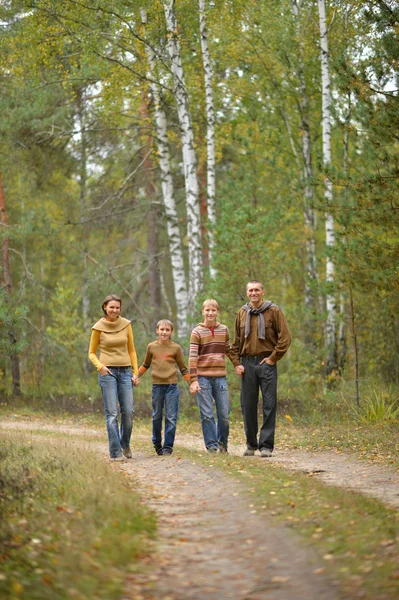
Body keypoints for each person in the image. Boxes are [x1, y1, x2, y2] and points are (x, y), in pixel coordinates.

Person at [230, 280, 291, 457]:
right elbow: (236, 342)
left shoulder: (274, 311)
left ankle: (266, 446)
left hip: (266, 363)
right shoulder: (242, 313)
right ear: (247, 292)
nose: (253, 293)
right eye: (250, 290)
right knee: (247, 405)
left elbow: (285, 338)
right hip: (247, 364)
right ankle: (251, 445)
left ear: (263, 292)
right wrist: (236, 363)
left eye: (257, 290)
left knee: (269, 404)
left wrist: (273, 358)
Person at [88, 294, 139, 461]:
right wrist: (100, 367)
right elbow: (91, 353)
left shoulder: (126, 325)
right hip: (107, 372)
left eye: (117, 307)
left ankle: (125, 444)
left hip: (125, 372)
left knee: (129, 412)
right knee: (112, 414)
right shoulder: (98, 327)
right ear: (105, 307)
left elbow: (131, 350)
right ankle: (115, 452)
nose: (114, 310)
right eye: (111, 307)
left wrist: (135, 371)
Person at [138, 319, 190, 456]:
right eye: (162, 329)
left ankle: (168, 446)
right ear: (157, 330)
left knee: (171, 417)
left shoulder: (176, 348)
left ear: (171, 332)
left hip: (171, 387)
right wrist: (136, 376)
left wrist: (192, 383)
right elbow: (145, 365)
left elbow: (183, 368)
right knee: (156, 416)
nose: (164, 332)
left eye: (167, 330)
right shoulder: (151, 347)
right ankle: (157, 443)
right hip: (157, 386)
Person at [189, 299, 235, 453]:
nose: (210, 313)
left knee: (224, 414)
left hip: (220, 377)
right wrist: (194, 380)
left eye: (213, 310)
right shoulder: (197, 332)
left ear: (217, 312)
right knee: (207, 414)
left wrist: (237, 364)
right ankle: (212, 446)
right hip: (203, 378)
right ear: (203, 312)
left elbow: (228, 350)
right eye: (207, 310)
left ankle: (223, 444)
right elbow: (193, 357)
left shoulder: (224, 330)